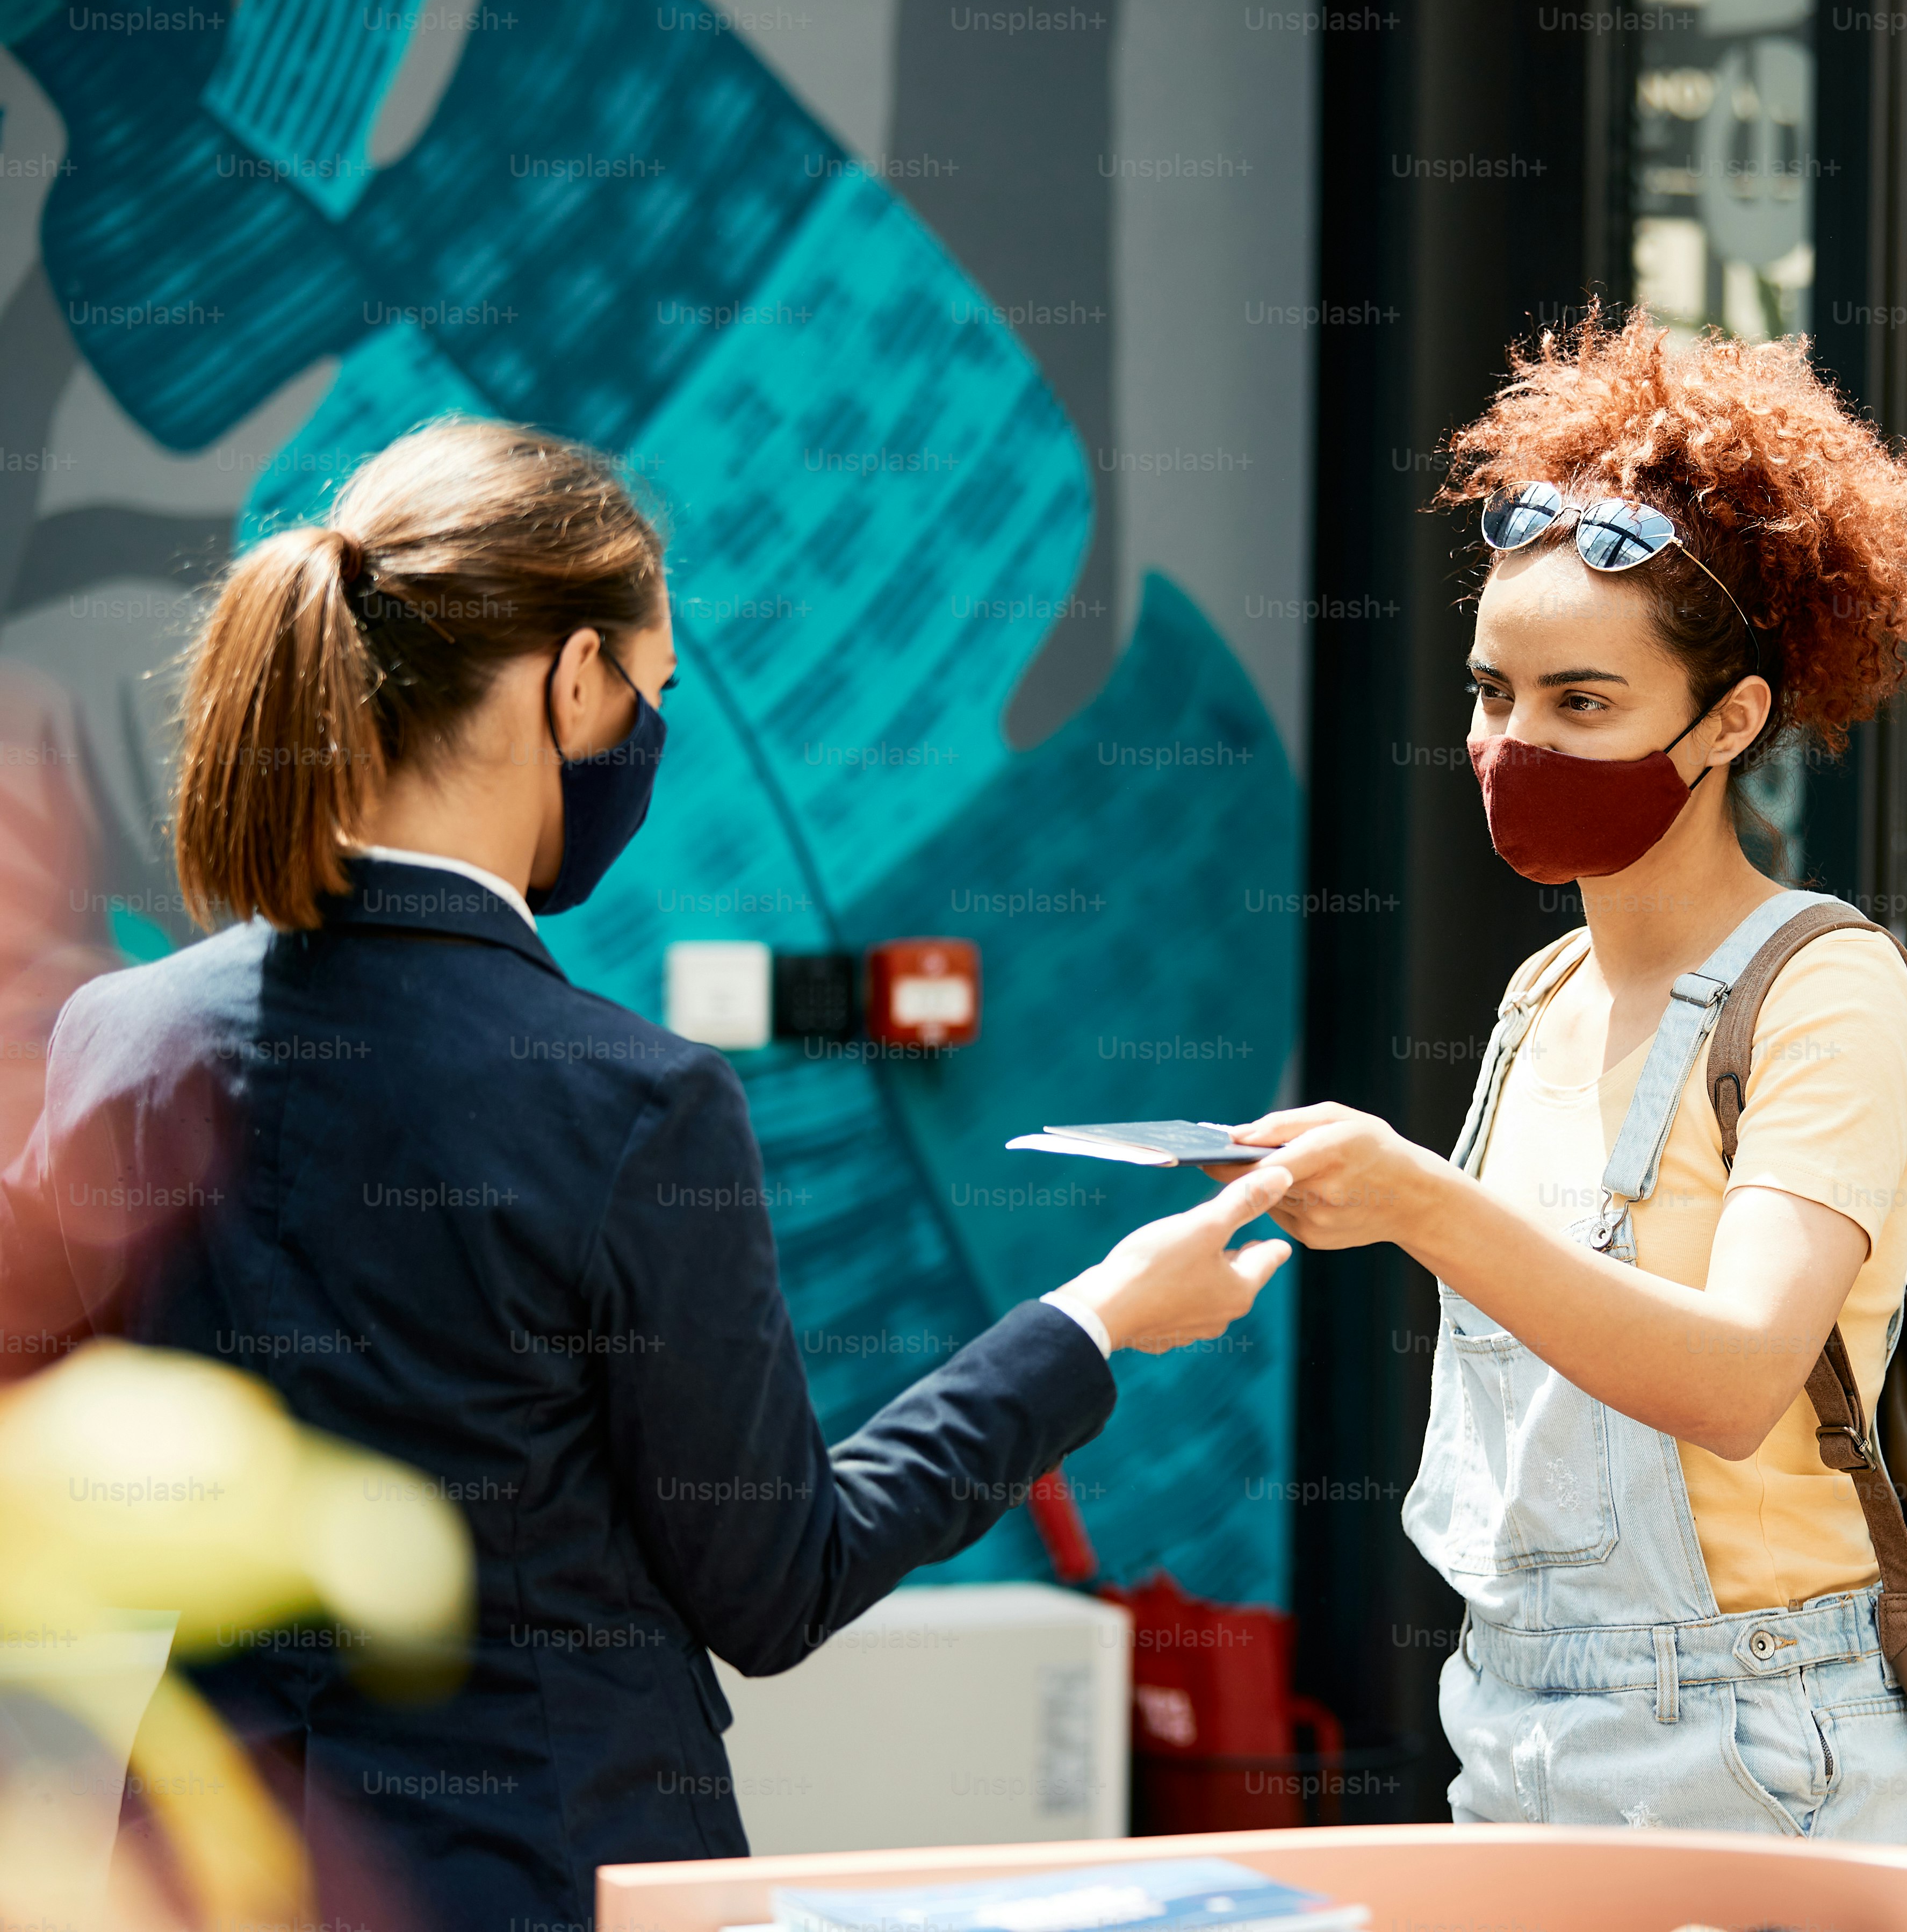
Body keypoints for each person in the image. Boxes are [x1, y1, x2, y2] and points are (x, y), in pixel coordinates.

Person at [0, 419, 1292, 1930]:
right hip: (544, 1878)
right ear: (573, 681)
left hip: (196, 1880)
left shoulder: (119, 1042)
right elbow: (780, 1581)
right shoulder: (629, 1102)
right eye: (654, 689)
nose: (651, 734)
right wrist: (1096, 1323)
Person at [1218, 315, 1907, 1840]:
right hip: (1511, 1717)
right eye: (1495, 692)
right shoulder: (1541, 992)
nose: (1515, 741)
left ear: (1732, 719)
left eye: (1583, 703)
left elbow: (1736, 1381)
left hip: (1749, 1739)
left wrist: (1418, 1201)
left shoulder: (1828, 990)